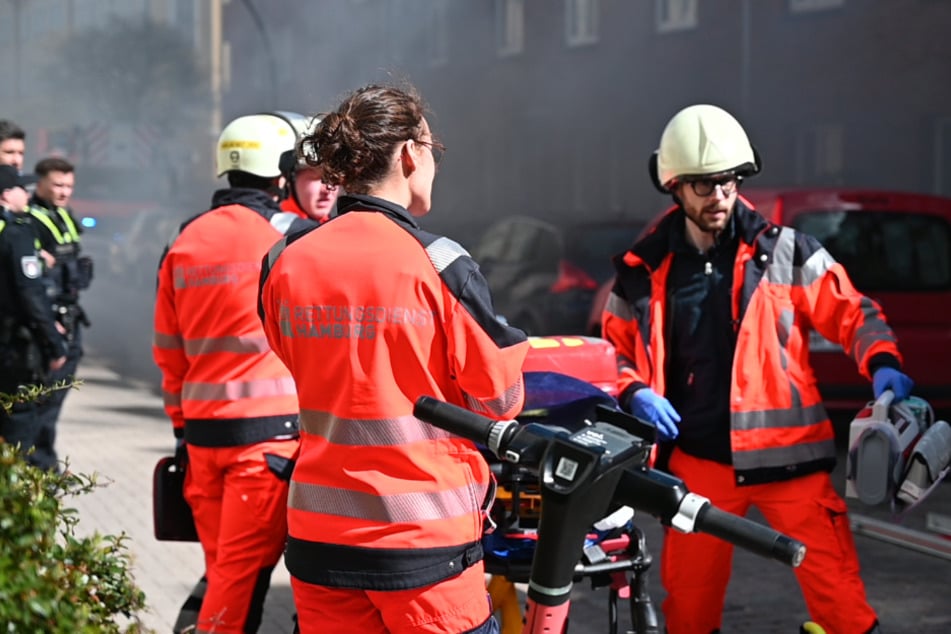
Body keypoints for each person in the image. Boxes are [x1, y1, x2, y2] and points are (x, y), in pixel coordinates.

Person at [601, 104, 912, 634]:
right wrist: (633, 393)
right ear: (674, 185)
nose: (719, 196)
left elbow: (854, 315)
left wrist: (882, 362)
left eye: (728, 183)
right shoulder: (644, 269)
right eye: (704, 186)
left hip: (794, 466)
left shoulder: (789, 253)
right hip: (698, 468)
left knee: (842, 607)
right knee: (690, 615)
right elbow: (614, 353)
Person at [258, 83, 528, 634]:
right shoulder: (438, 262)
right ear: (409, 154)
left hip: (319, 539)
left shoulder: (284, 259)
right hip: (424, 542)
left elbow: (292, 357)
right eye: (432, 150)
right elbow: (497, 402)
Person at [153, 112, 316, 634]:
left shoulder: (185, 239)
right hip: (267, 442)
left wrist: (182, 426)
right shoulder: (291, 236)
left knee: (224, 568)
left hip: (202, 440)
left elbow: (168, 349)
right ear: (281, 175)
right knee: (238, 579)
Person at [25, 157, 91, 468]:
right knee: (42, 403)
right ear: (41, 183)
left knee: (54, 401)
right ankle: (39, 466)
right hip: (49, 323)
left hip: (69, 318)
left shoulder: (64, 215)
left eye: (69, 185)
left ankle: (41, 465)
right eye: (58, 185)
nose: (64, 191)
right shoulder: (30, 219)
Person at [0, 165, 68, 466]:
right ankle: (17, 506)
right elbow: (31, 297)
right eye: (20, 189)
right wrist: (54, 345)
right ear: (5, 195)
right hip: (13, 353)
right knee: (20, 433)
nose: (26, 194)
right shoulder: (17, 234)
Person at [277, 115, 339, 223]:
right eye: (316, 178)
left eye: (334, 178)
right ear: (287, 179)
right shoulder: (277, 234)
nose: (328, 189)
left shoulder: (327, 227)